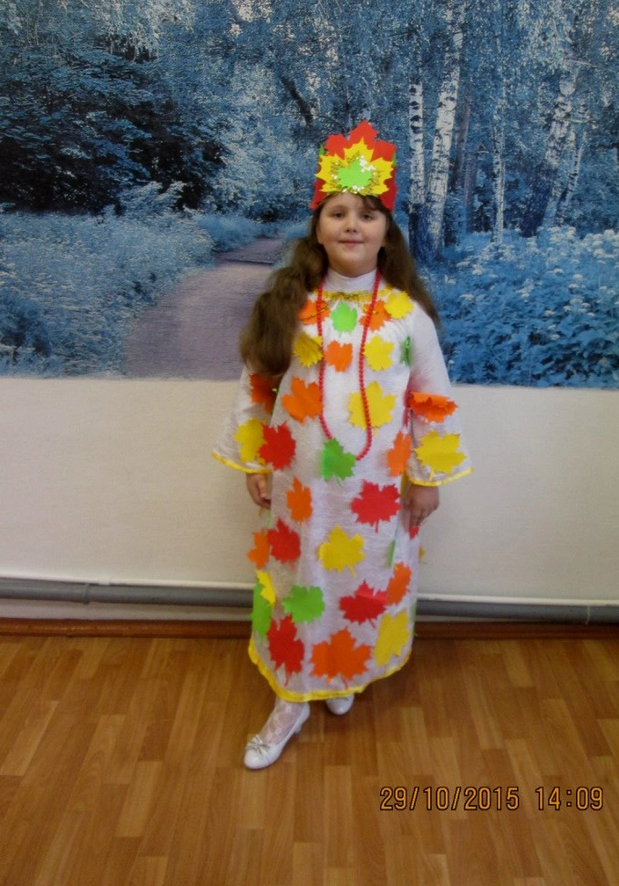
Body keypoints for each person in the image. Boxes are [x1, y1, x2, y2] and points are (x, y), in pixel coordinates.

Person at [213, 120, 472, 769]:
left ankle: (341, 670)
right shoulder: (291, 304)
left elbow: (432, 399)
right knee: (303, 585)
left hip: (376, 494)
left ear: (387, 231)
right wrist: (254, 459)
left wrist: (427, 476)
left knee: (360, 582)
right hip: (301, 489)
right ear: (318, 227)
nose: (352, 225)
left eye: (367, 214)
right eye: (338, 213)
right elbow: (257, 383)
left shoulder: (408, 317)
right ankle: (291, 699)